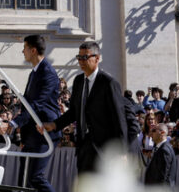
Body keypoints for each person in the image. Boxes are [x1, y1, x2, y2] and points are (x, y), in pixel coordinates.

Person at [0, 35, 71, 192]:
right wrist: (23, 134)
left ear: (32, 50)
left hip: (45, 133)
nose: (22, 52)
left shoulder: (48, 73)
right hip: (32, 135)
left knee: (36, 177)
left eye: (24, 48)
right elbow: (29, 105)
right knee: (25, 181)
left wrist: (14, 124)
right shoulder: (35, 72)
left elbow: (37, 106)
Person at [40, 41, 127, 174]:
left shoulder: (109, 83)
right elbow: (74, 111)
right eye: (79, 57)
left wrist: (122, 151)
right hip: (83, 147)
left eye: (85, 57)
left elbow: (119, 119)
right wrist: (54, 124)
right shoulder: (79, 81)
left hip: (104, 150)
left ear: (97, 58)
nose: (81, 61)